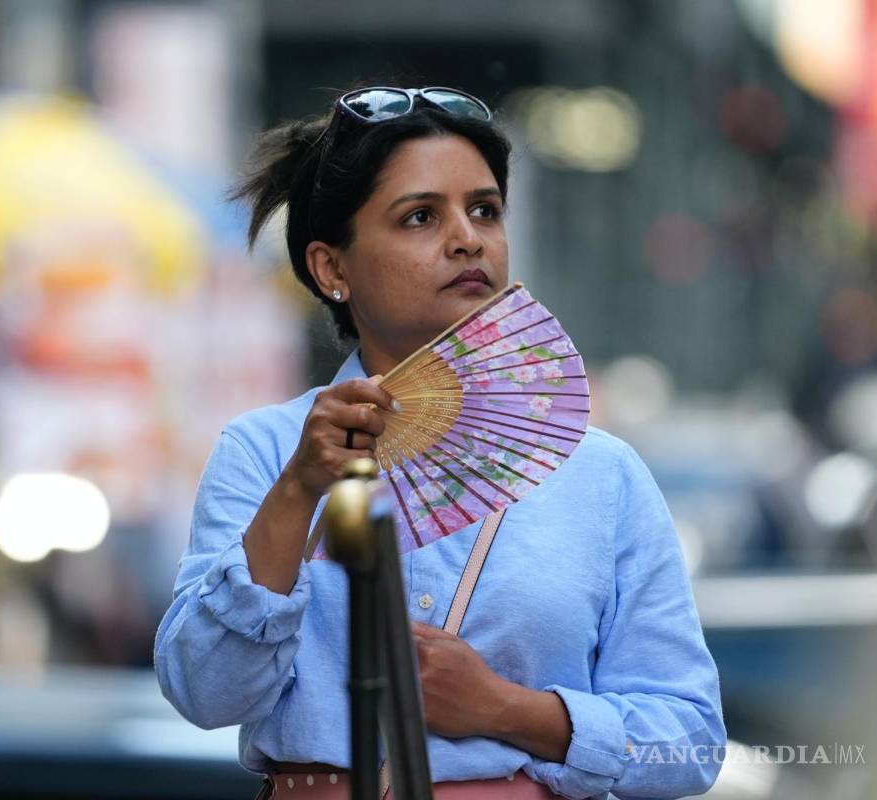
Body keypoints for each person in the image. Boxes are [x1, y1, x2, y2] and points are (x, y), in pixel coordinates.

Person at [154, 85, 726, 800]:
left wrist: (506, 709)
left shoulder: (599, 474)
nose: (468, 239)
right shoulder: (266, 453)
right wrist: (299, 491)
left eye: (484, 210)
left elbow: (691, 743)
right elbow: (204, 693)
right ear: (332, 268)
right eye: (420, 216)